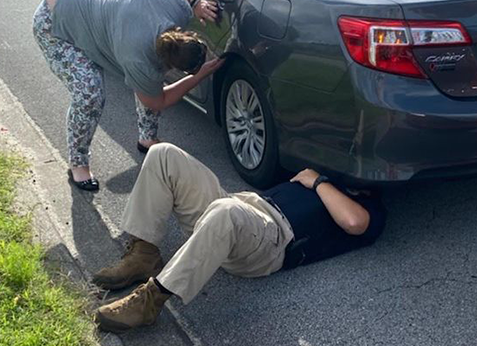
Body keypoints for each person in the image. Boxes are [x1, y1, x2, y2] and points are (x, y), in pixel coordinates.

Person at [92, 143, 385, 333]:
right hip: (241, 209)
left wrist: (318, 181)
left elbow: (354, 222)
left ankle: (151, 300)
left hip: (270, 241)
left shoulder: (367, 205)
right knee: (163, 154)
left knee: (226, 211)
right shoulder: (324, 175)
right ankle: (144, 254)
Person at [32, 0, 222, 191]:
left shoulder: (176, 6)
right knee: (89, 93)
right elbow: (156, 100)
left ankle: (147, 139)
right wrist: (199, 75)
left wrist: (195, 2)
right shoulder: (139, 58)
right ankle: (78, 163)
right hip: (54, 21)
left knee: (148, 82)